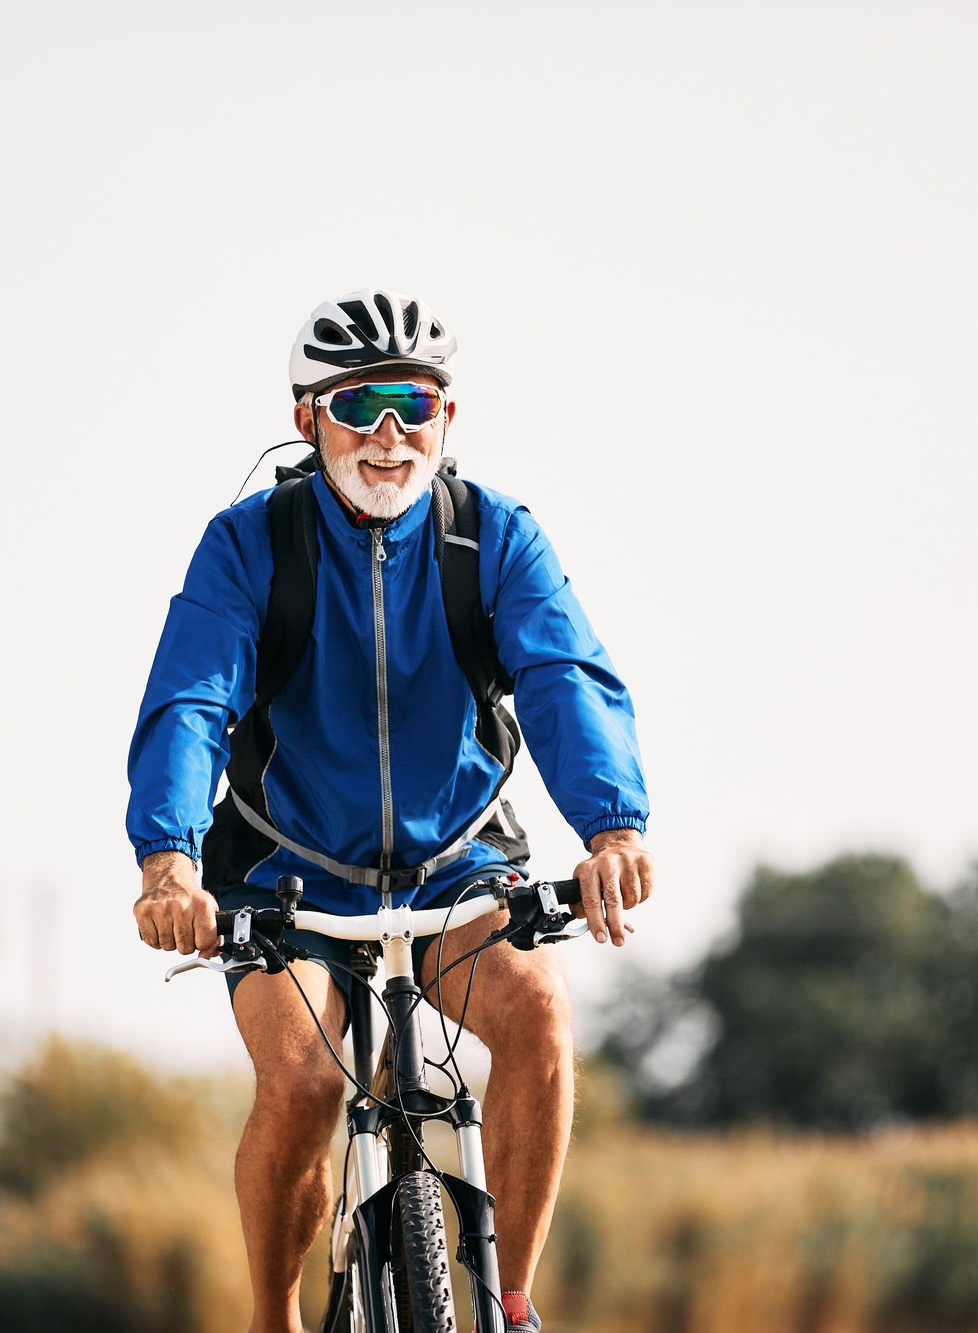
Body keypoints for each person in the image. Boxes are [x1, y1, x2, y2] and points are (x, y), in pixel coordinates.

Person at [126, 289, 653, 1333]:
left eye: (412, 403)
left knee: (540, 1016)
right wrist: (166, 860)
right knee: (303, 1080)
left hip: (456, 861)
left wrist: (610, 828)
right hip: (286, 871)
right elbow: (191, 696)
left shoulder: (491, 536)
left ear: (446, 419)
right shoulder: (248, 547)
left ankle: (509, 1304)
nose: (386, 434)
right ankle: (273, 1317)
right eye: (357, 404)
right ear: (304, 415)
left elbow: (563, 678)